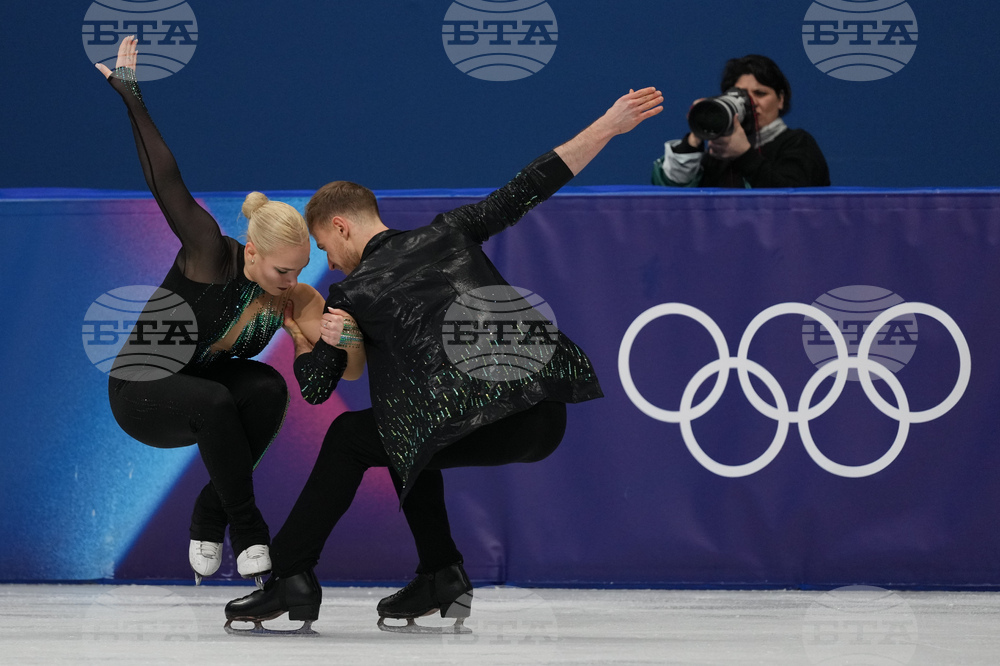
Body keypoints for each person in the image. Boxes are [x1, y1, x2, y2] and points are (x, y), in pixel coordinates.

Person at [224, 86, 664, 634]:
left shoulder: (353, 292)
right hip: (543, 413)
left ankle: (290, 575)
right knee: (407, 434)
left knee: (351, 438)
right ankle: (441, 574)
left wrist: (308, 334)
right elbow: (530, 186)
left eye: (324, 247)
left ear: (340, 225)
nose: (329, 263)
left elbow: (315, 390)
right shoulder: (451, 231)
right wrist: (608, 125)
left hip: (483, 420)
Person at [96, 37, 365, 585]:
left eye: (301, 270)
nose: (293, 282)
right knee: (219, 398)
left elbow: (350, 371)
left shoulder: (296, 296)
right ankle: (246, 527)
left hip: (205, 392)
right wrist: (132, 97)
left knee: (267, 388)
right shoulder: (207, 254)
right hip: (141, 391)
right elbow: (165, 180)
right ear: (253, 252)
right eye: (282, 272)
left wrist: (341, 338)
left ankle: (209, 512)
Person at [653, 54, 830, 188]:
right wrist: (698, 133)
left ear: (781, 99)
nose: (750, 103)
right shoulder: (719, 151)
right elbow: (671, 194)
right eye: (740, 95)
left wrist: (744, 155)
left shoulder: (798, 143)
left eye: (760, 93)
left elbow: (795, 203)